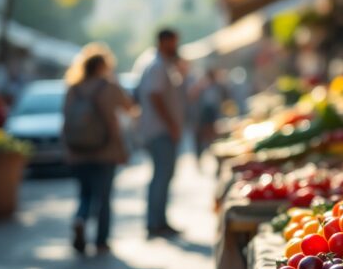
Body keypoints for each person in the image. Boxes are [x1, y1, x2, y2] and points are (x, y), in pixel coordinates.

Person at [62, 43, 134, 254]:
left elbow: (66, 121)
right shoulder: (109, 86)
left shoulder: (73, 88)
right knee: (103, 197)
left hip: (78, 151)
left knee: (84, 194)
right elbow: (129, 109)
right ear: (103, 66)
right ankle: (101, 241)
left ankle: (80, 219)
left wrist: (67, 148)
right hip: (106, 151)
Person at [137, 28, 187, 238]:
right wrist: (171, 124)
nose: (176, 47)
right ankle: (156, 223)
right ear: (164, 42)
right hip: (160, 131)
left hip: (159, 130)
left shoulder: (160, 63)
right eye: (173, 43)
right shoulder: (157, 66)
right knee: (161, 176)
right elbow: (154, 96)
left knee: (163, 176)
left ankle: (158, 220)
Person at [190, 68, 228, 162]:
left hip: (212, 113)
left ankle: (216, 156)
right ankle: (208, 155)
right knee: (207, 137)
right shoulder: (204, 86)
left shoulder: (216, 86)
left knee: (212, 137)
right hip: (207, 113)